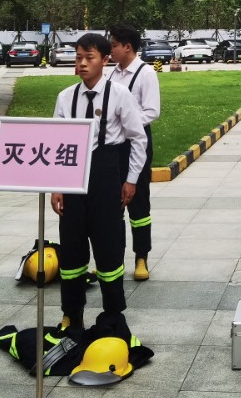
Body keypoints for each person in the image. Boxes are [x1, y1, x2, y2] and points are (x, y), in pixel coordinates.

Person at [52, 32, 149, 331]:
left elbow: (138, 139)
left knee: (108, 246)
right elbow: (57, 143)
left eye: (89, 58)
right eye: (78, 58)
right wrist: (57, 186)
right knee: (71, 247)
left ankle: (112, 314)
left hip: (106, 174)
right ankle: (72, 314)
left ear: (104, 60)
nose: (82, 63)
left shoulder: (120, 95)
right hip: (73, 176)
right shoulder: (65, 97)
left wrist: (131, 179)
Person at [109, 24, 161, 281]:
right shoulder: (113, 73)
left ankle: (141, 257)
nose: (110, 50)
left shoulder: (145, 73)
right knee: (113, 203)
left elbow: (152, 111)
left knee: (138, 202)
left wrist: (126, 122)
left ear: (127, 47)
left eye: (114, 45)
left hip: (137, 143)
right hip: (114, 145)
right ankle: (113, 257)